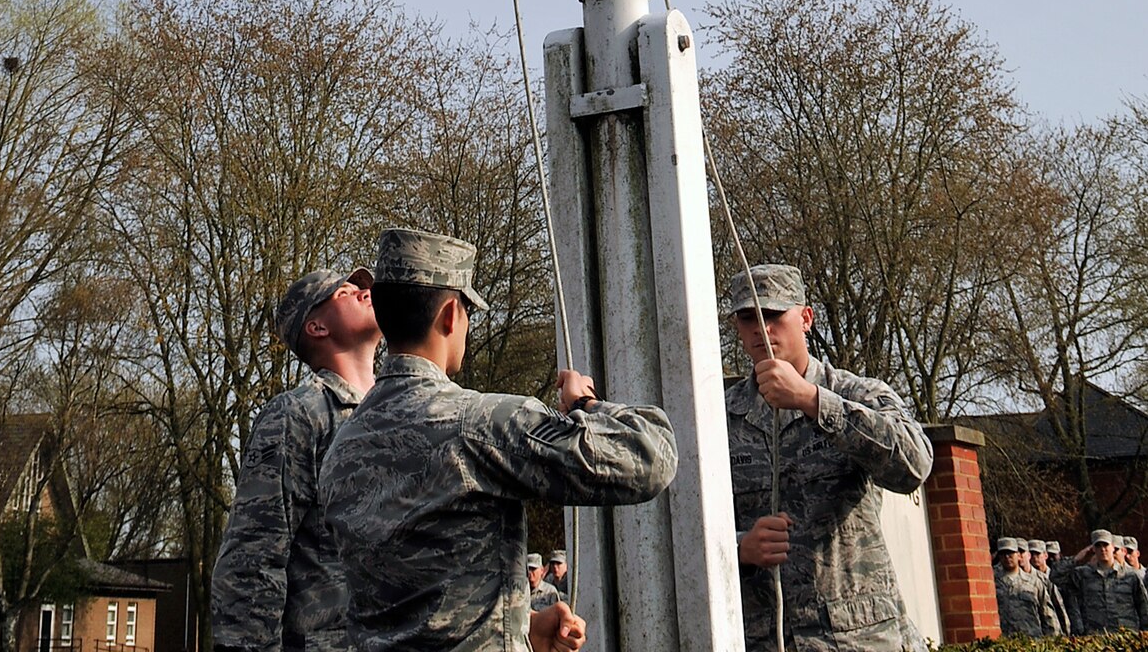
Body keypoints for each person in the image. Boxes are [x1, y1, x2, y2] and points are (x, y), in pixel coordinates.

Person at [320, 226, 677, 652]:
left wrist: (522, 623)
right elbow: (650, 456)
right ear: (450, 314)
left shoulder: (342, 446)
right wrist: (585, 404)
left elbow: (409, 597)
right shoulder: (478, 423)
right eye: (469, 311)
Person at [723, 263, 934, 652]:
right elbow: (690, 524)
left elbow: (915, 465)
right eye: (747, 317)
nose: (761, 329)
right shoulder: (720, 419)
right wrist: (739, 548)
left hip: (859, 637)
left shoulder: (857, 394)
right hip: (767, 638)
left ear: (805, 318)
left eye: (772, 314)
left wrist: (813, 401)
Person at [211, 265, 381, 652]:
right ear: (317, 328)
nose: (362, 292)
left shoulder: (404, 411)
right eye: (344, 292)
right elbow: (250, 563)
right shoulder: (298, 416)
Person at [1064, 528, 1148, 633]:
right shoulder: (1082, 576)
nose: (1102, 549)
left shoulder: (1130, 576)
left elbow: (1143, 607)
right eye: (1098, 546)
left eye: (1106, 545)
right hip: (1095, 636)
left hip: (1127, 635)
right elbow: (1073, 606)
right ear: (1093, 549)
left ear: (1113, 547)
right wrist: (1079, 631)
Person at [994, 538, 1060, 638]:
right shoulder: (993, 583)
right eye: (1003, 554)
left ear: (1018, 555)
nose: (1007, 557)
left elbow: (1048, 615)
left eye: (1010, 553)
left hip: (1032, 641)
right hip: (1004, 642)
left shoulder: (1034, 582)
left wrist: (1053, 641)